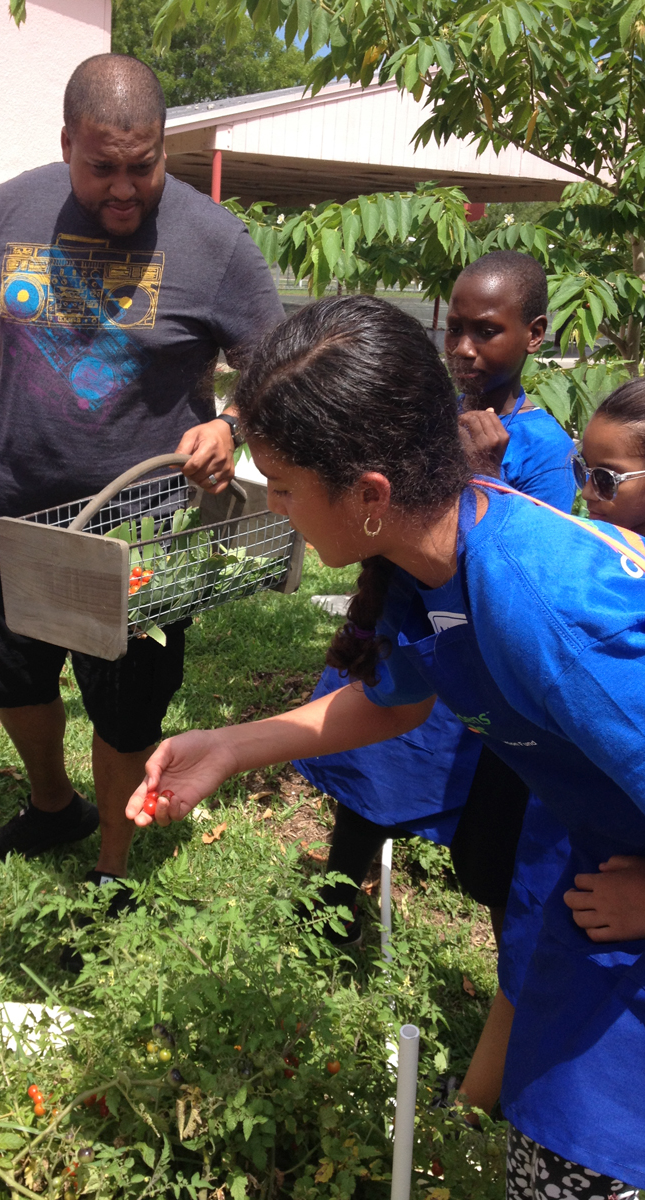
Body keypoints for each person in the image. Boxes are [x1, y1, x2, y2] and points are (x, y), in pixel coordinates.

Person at [127, 296, 645, 1197]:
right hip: (596, 883)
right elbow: (393, 704)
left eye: (283, 487)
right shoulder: (438, 553)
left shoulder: (542, 604)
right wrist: (229, 746)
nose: (275, 505)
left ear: (369, 495)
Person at [0, 54, 284, 894]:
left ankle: (112, 861)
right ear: (67, 143)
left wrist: (232, 423)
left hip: (142, 528)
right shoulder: (10, 208)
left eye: (145, 165)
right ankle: (53, 802)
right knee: (13, 678)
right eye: (103, 167)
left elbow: (280, 365)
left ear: (164, 147)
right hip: (10, 513)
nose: (126, 188)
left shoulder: (215, 243)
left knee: (127, 706)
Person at [293, 252, 574, 1118]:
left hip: (474, 679)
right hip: (402, 646)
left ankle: (513, 1012)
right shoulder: (429, 418)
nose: (462, 346)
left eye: (485, 330)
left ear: (533, 336)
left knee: (492, 858)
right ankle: (331, 929)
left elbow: (511, 569)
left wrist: (476, 476)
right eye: (451, 326)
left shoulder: (540, 450)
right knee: (363, 782)